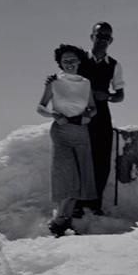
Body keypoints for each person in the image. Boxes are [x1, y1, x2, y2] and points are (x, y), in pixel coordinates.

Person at [46, 22, 124, 216]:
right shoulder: (80, 60)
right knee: (80, 157)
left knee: (101, 157)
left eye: (106, 37)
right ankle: (77, 204)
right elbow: (65, 77)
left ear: (111, 40)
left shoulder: (114, 65)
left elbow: (120, 95)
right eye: (99, 36)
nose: (102, 40)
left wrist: (106, 96)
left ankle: (95, 203)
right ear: (92, 37)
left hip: (102, 114)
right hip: (78, 115)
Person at [37, 44, 97, 237]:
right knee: (67, 176)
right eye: (65, 61)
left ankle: (64, 220)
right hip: (61, 131)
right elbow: (40, 107)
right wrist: (54, 115)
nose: (69, 64)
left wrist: (89, 114)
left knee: (79, 178)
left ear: (79, 61)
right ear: (60, 64)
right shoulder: (54, 82)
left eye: (72, 60)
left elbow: (92, 107)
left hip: (81, 131)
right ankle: (59, 219)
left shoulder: (86, 83)